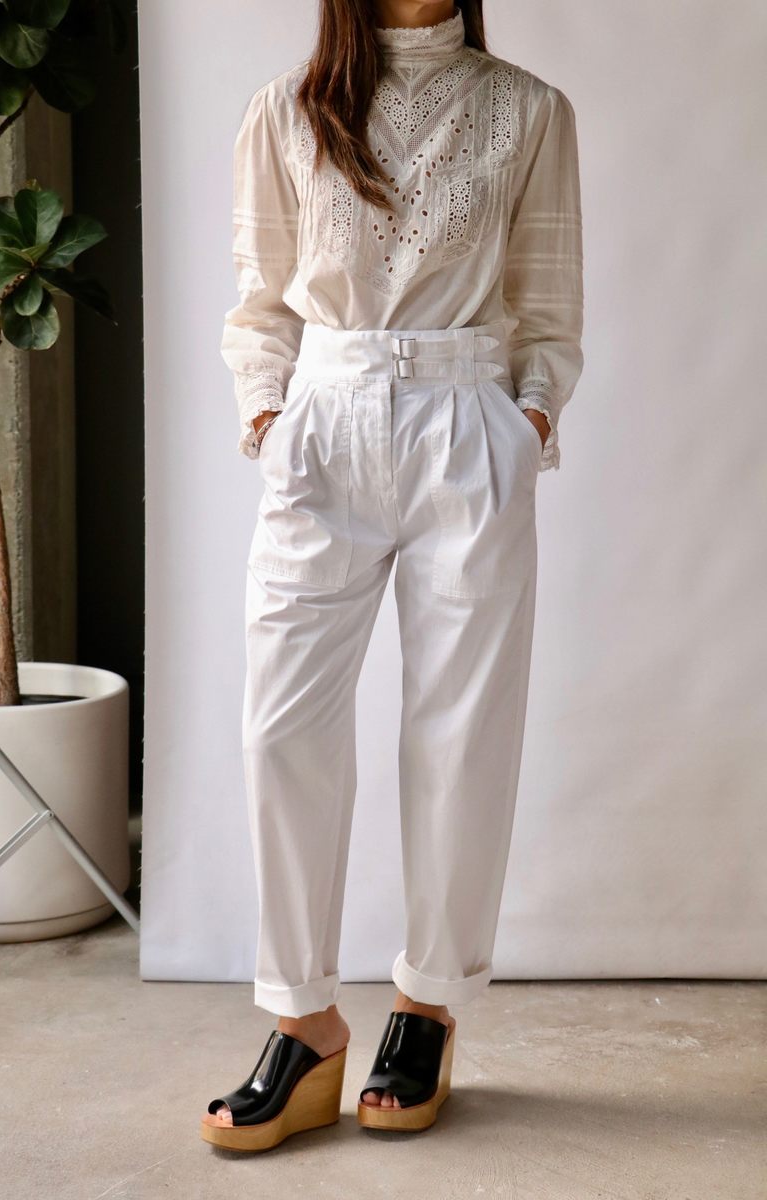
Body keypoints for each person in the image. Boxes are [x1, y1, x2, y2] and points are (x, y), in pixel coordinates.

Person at [201, 0, 584, 1151]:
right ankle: (303, 1021)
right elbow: (258, 298)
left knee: (458, 732)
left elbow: (547, 306)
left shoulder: (528, 109)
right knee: (281, 726)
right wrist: (268, 417)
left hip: (466, 422)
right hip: (322, 421)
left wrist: (523, 421)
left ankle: (426, 1004)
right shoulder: (285, 109)